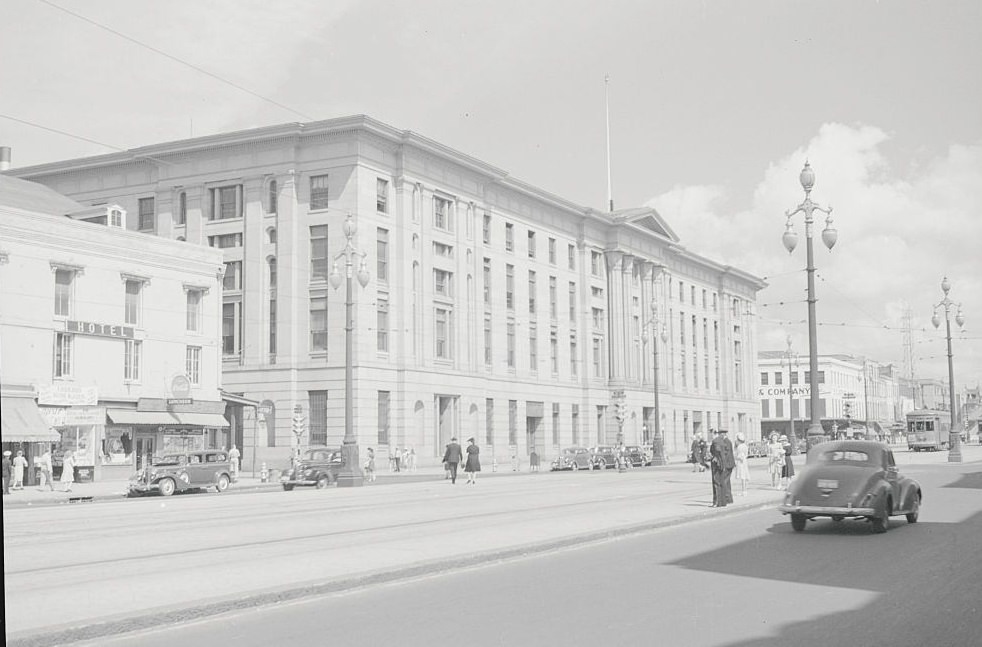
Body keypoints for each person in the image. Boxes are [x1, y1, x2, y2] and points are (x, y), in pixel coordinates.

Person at [709, 429, 735, 507]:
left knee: (717, 482)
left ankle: (717, 502)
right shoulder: (722, 442)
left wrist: (714, 457)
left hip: (717, 464)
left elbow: (718, 452)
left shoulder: (716, 441)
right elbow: (724, 453)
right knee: (722, 483)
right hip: (723, 465)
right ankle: (723, 501)